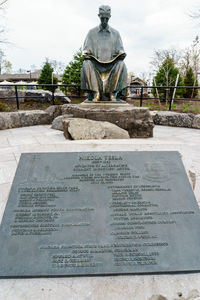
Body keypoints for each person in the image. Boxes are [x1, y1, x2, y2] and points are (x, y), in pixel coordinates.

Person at [81, 5, 127, 102]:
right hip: (95, 65)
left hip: (111, 65)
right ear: (99, 16)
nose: (104, 21)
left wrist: (121, 54)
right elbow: (86, 49)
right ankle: (95, 92)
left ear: (110, 17)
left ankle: (112, 93)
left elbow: (120, 49)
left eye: (106, 18)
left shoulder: (116, 33)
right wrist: (86, 54)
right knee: (86, 63)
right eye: (102, 18)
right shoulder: (91, 32)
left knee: (121, 64)